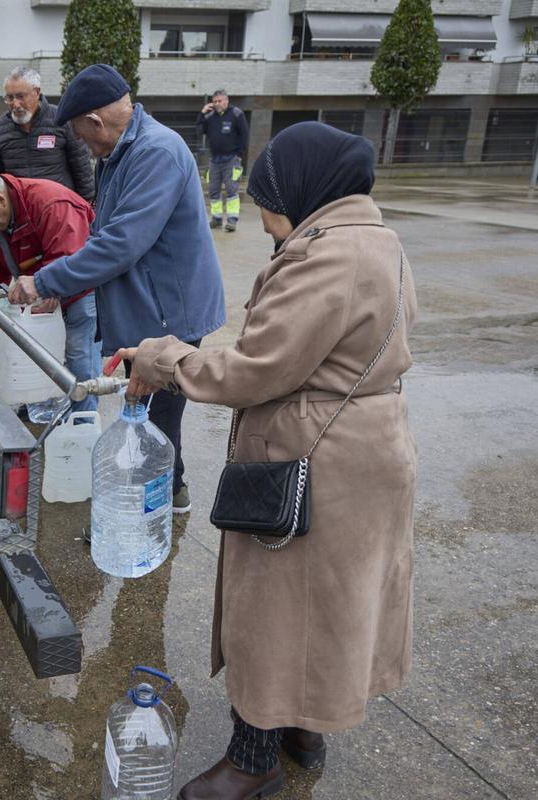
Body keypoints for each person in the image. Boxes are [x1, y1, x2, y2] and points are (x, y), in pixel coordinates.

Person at [113, 121, 418, 799]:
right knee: (333, 601)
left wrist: (164, 357)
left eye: (265, 197)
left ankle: (254, 760)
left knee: (274, 607)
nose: (260, 214)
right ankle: (306, 728)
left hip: (315, 455)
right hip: (366, 448)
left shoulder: (328, 258)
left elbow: (256, 369)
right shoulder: (377, 242)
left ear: (300, 189)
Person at [7, 64, 226, 513]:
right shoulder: (122, 153)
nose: (85, 145)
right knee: (147, 409)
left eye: (83, 136)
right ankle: (165, 491)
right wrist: (62, 284)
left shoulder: (156, 153)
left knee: (155, 415)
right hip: (149, 307)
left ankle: (158, 505)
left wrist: (45, 279)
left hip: (169, 313)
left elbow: (121, 243)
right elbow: (102, 232)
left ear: (95, 122)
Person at [0, 170, 100, 412]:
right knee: (40, 354)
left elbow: (71, 256)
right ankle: (44, 407)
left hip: (79, 291)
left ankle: (83, 422)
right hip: (41, 291)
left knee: (79, 357)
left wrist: (48, 287)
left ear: (0, 199)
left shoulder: (51, 203)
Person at [0, 67, 95, 202]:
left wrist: (87, 207)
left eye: (20, 96)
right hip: (21, 214)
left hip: (60, 209)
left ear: (36, 92)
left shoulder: (62, 120)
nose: (15, 104)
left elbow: (81, 168)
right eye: (10, 98)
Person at [196, 90, 248, 232]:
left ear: (226, 101)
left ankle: (232, 220)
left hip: (231, 159)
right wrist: (202, 113)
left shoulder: (237, 114)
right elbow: (200, 130)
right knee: (213, 190)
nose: (217, 104)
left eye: (219, 101)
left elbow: (244, 135)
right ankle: (217, 218)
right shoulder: (210, 116)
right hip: (215, 160)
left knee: (232, 190)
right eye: (215, 101)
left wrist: (240, 155)